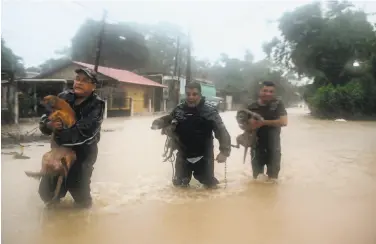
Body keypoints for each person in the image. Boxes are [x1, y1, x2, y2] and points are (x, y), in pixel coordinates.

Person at [38, 68, 105, 208]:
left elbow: (85, 132)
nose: (79, 83)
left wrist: (61, 132)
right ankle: (54, 217)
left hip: (83, 152)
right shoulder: (63, 97)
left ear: (93, 86)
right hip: (59, 149)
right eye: (77, 79)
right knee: (46, 192)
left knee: (78, 190)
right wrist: (50, 125)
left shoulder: (97, 104)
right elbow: (44, 120)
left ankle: (83, 220)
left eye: (85, 81)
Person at [168, 82, 231, 188]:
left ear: (200, 94)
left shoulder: (210, 111)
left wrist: (224, 151)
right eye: (188, 94)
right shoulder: (178, 110)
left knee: (210, 187)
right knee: (179, 186)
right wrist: (164, 126)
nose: (191, 97)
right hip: (183, 155)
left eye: (194, 94)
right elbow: (169, 122)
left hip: (204, 156)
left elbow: (221, 131)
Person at [246, 81, 288, 183]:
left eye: (271, 91)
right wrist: (249, 125)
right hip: (256, 146)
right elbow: (244, 125)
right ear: (259, 91)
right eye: (265, 91)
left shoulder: (278, 104)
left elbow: (284, 122)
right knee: (257, 180)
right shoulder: (251, 106)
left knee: (273, 180)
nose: (268, 94)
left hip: (273, 147)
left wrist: (262, 123)